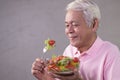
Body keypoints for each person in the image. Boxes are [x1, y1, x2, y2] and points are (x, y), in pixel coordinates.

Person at [31, 0, 120, 80]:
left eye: (75, 24)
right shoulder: (69, 50)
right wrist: (47, 79)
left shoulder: (110, 53)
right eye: (67, 25)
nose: (69, 31)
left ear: (94, 25)